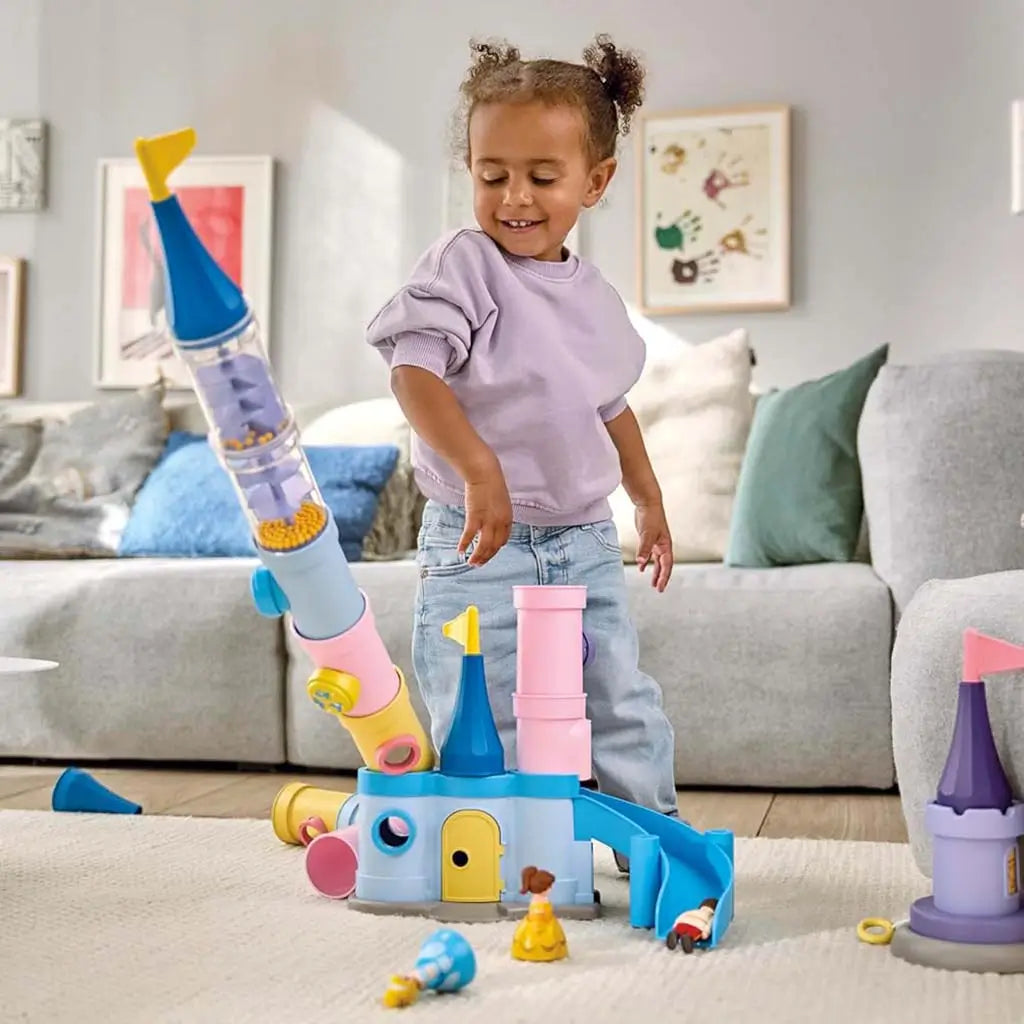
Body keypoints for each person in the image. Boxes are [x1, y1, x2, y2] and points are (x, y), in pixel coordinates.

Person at [366, 35, 678, 837]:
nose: (514, 197)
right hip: (477, 541)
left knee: (619, 699)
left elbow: (611, 408)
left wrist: (647, 500)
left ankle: (654, 845)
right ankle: (493, 845)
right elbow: (414, 372)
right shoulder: (463, 266)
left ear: (595, 182)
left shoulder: (597, 300)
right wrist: (478, 468)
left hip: (582, 539)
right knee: (483, 697)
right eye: (490, 174)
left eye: (543, 177)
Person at [510, 866, 568, 962]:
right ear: (542, 887)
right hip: (539, 926)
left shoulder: (543, 899)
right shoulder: (537, 901)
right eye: (549, 887)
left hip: (548, 923)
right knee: (544, 942)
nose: (550, 889)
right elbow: (536, 916)